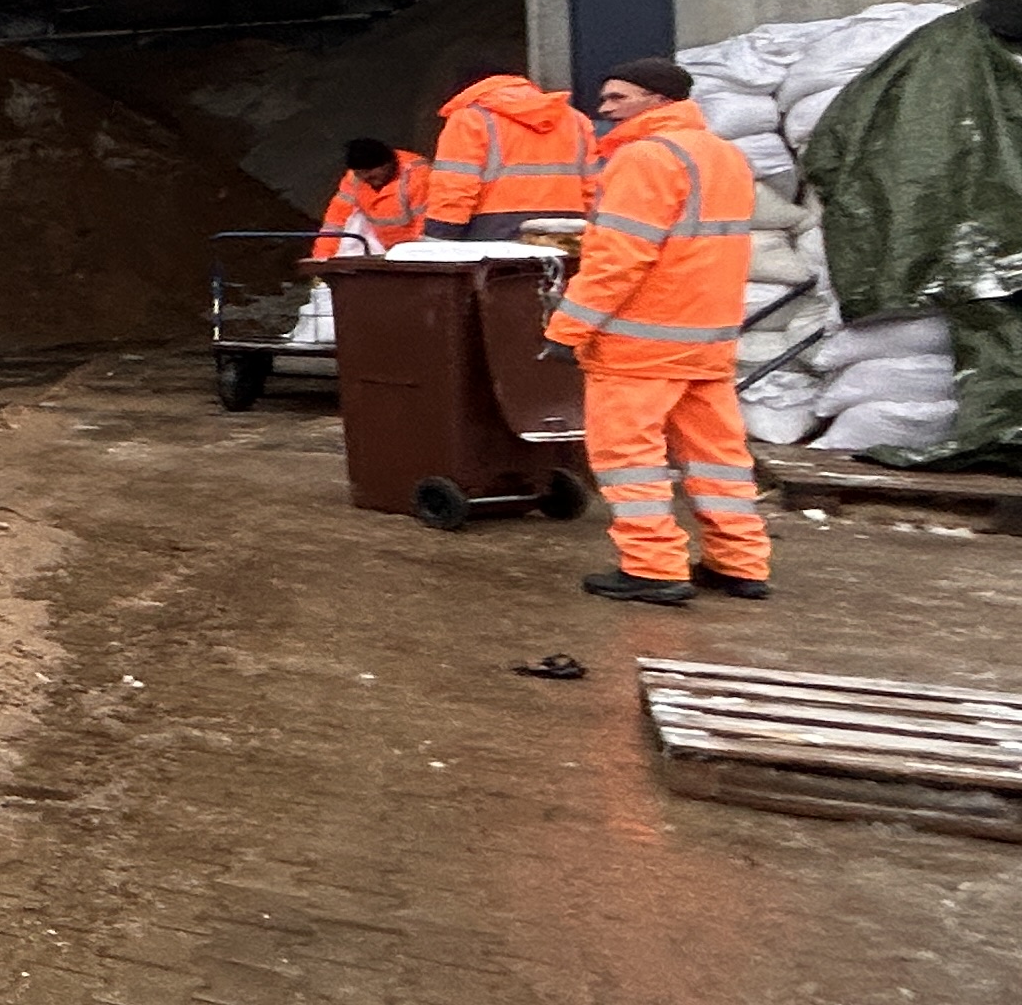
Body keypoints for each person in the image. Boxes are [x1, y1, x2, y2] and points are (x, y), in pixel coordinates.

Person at [548, 56, 774, 606]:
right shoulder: (725, 157)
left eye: (619, 97)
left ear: (658, 99)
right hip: (706, 339)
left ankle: (653, 568)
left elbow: (618, 257)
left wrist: (569, 328)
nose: (604, 108)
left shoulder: (644, 158)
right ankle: (739, 563)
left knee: (630, 458)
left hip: (640, 344)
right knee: (717, 457)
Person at [420, 70, 596, 237]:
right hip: (567, 230)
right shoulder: (576, 120)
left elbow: (454, 185)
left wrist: (440, 236)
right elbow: (594, 187)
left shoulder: (470, 119)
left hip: (492, 232)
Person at [311, 136, 429, 259]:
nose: (365, 178)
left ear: (389, 163)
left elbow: (424, 225)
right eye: (360, 173)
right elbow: (336, 222)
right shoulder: (355, 178)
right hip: (384, 252)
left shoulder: (418, 177)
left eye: (370, 173)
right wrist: (322, 259)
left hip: (414, 253)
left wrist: (416, 259)